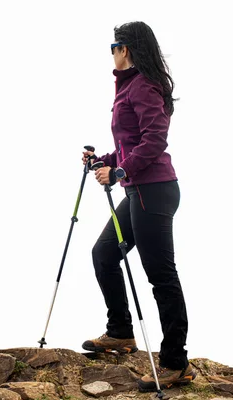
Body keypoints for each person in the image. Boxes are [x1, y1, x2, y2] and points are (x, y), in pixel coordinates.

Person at [81, 21, 195, 390]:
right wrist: (104, 161)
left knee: (160, 275)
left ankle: (176, 363)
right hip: (139, 189)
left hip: (154, 189)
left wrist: (120, 171)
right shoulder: (130, 86)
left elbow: (155, 140)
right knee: (104, 254)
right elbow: (131, 144)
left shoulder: (144, 85)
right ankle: (120, 333)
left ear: (124, 49)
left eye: (113, 46)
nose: (111, 53)